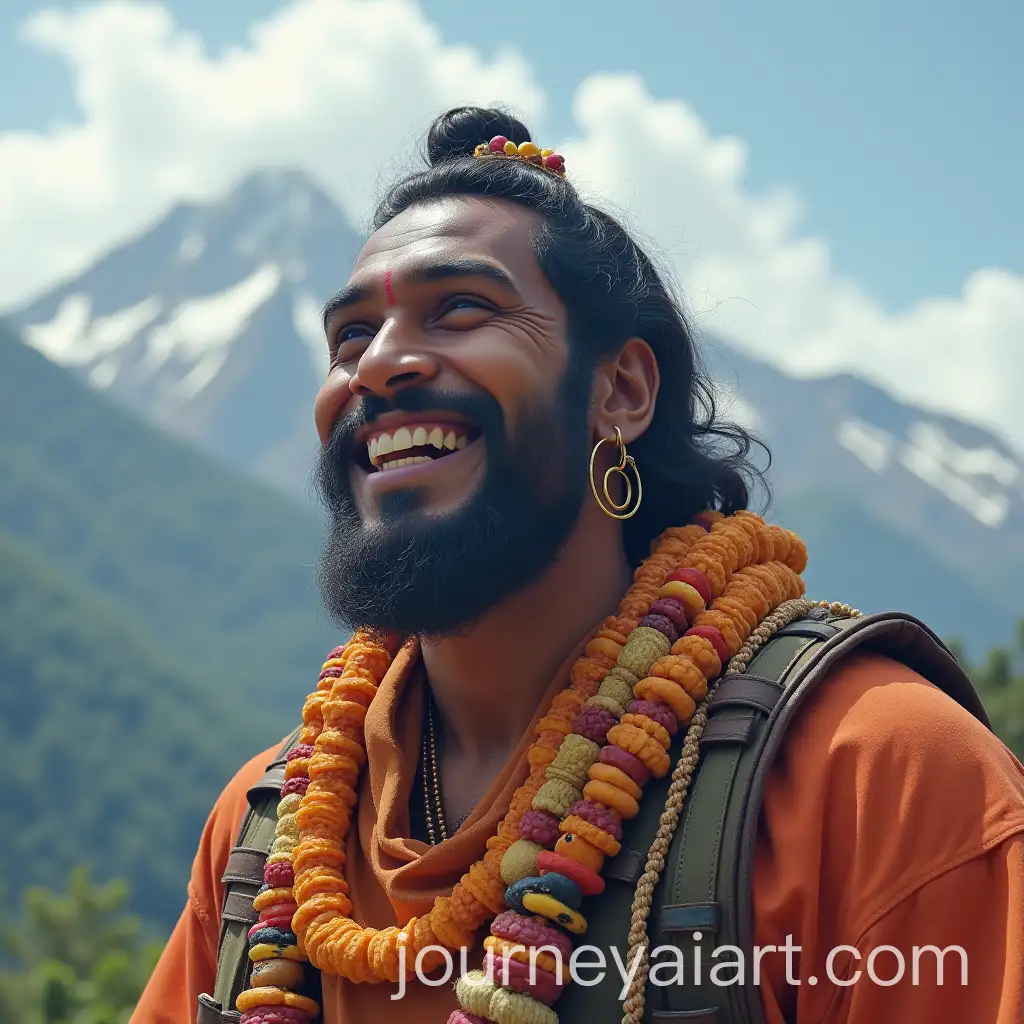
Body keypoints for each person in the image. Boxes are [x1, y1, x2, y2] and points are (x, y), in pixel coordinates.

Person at [132, 106, 1024, 1024]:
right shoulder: (268, 832)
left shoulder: (880, 773)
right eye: (350, 337)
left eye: (461, 309)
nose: (380, 363)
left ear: (622, 390)